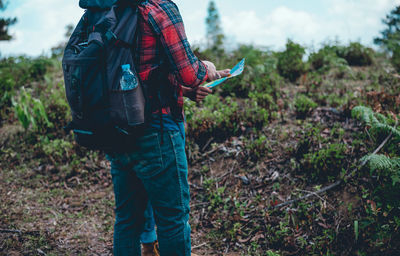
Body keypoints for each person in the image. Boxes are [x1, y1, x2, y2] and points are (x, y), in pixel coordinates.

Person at [106, 0, 230, 255]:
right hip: (157, 130)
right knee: (172, 221)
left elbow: (136, 73)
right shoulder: (160, 8)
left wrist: (182, 90)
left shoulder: (111, 10)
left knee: (128, 221)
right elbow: (191, 73)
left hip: (117, 130)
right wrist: (207, 67)